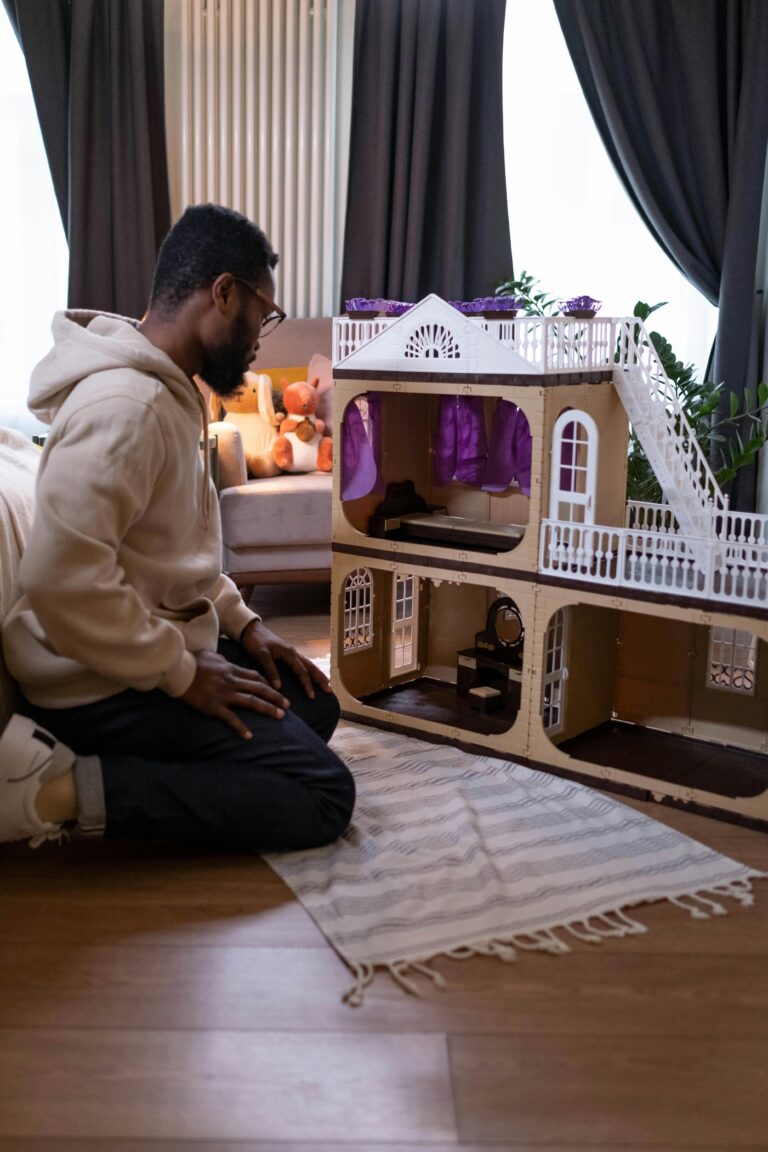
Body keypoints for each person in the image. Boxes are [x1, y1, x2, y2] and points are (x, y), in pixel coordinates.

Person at [0, 203, 355, 851]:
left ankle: (190, 757)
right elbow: (57, 579)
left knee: (313, 705)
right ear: (223, 293)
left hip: (145, 649)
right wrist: (186, 674)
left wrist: (244, 624)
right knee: (323, 795)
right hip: (92, 679)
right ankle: (55, 788)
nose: (261, 339)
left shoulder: (173, 392)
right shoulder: (125, 407)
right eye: (263, 315)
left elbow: (169, 554)